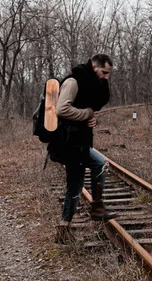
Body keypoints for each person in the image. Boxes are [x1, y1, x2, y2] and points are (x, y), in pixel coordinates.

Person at [48, 53, 118, 244]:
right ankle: (96, 206)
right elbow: (62, 109)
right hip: (68, 144)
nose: (106, 77)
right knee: (100, 164)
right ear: (94, 67)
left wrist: (91, 119)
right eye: (104, 72)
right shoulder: (73, 81)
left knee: (75, 186)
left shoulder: (88, 84)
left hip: (78, 143)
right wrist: (87, 113)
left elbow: (82, 111)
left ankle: (63, 230)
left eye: (108, 73)